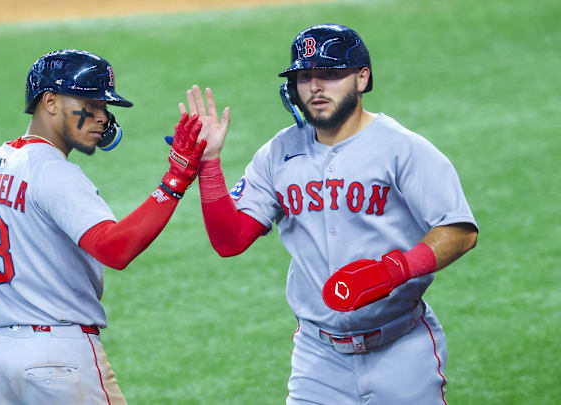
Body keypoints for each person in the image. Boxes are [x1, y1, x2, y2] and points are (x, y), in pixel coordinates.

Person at [182, 24, 478, 404]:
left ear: (361, 78)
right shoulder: (278, 153)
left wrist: (395, 270)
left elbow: (460, 231)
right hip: (318, 358)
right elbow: (230, 241)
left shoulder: (401, 148)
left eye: (330, 74)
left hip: (401, 349)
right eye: (304, 76)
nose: (315, 87)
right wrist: (209, 164)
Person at [0, 49, 206, 405]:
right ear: (50, 101)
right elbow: (115, 249)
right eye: (90, 103)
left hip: (2, 359)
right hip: (61, 361)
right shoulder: (53, 171)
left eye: (105, 107)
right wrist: (175, 180)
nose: (102, 117)